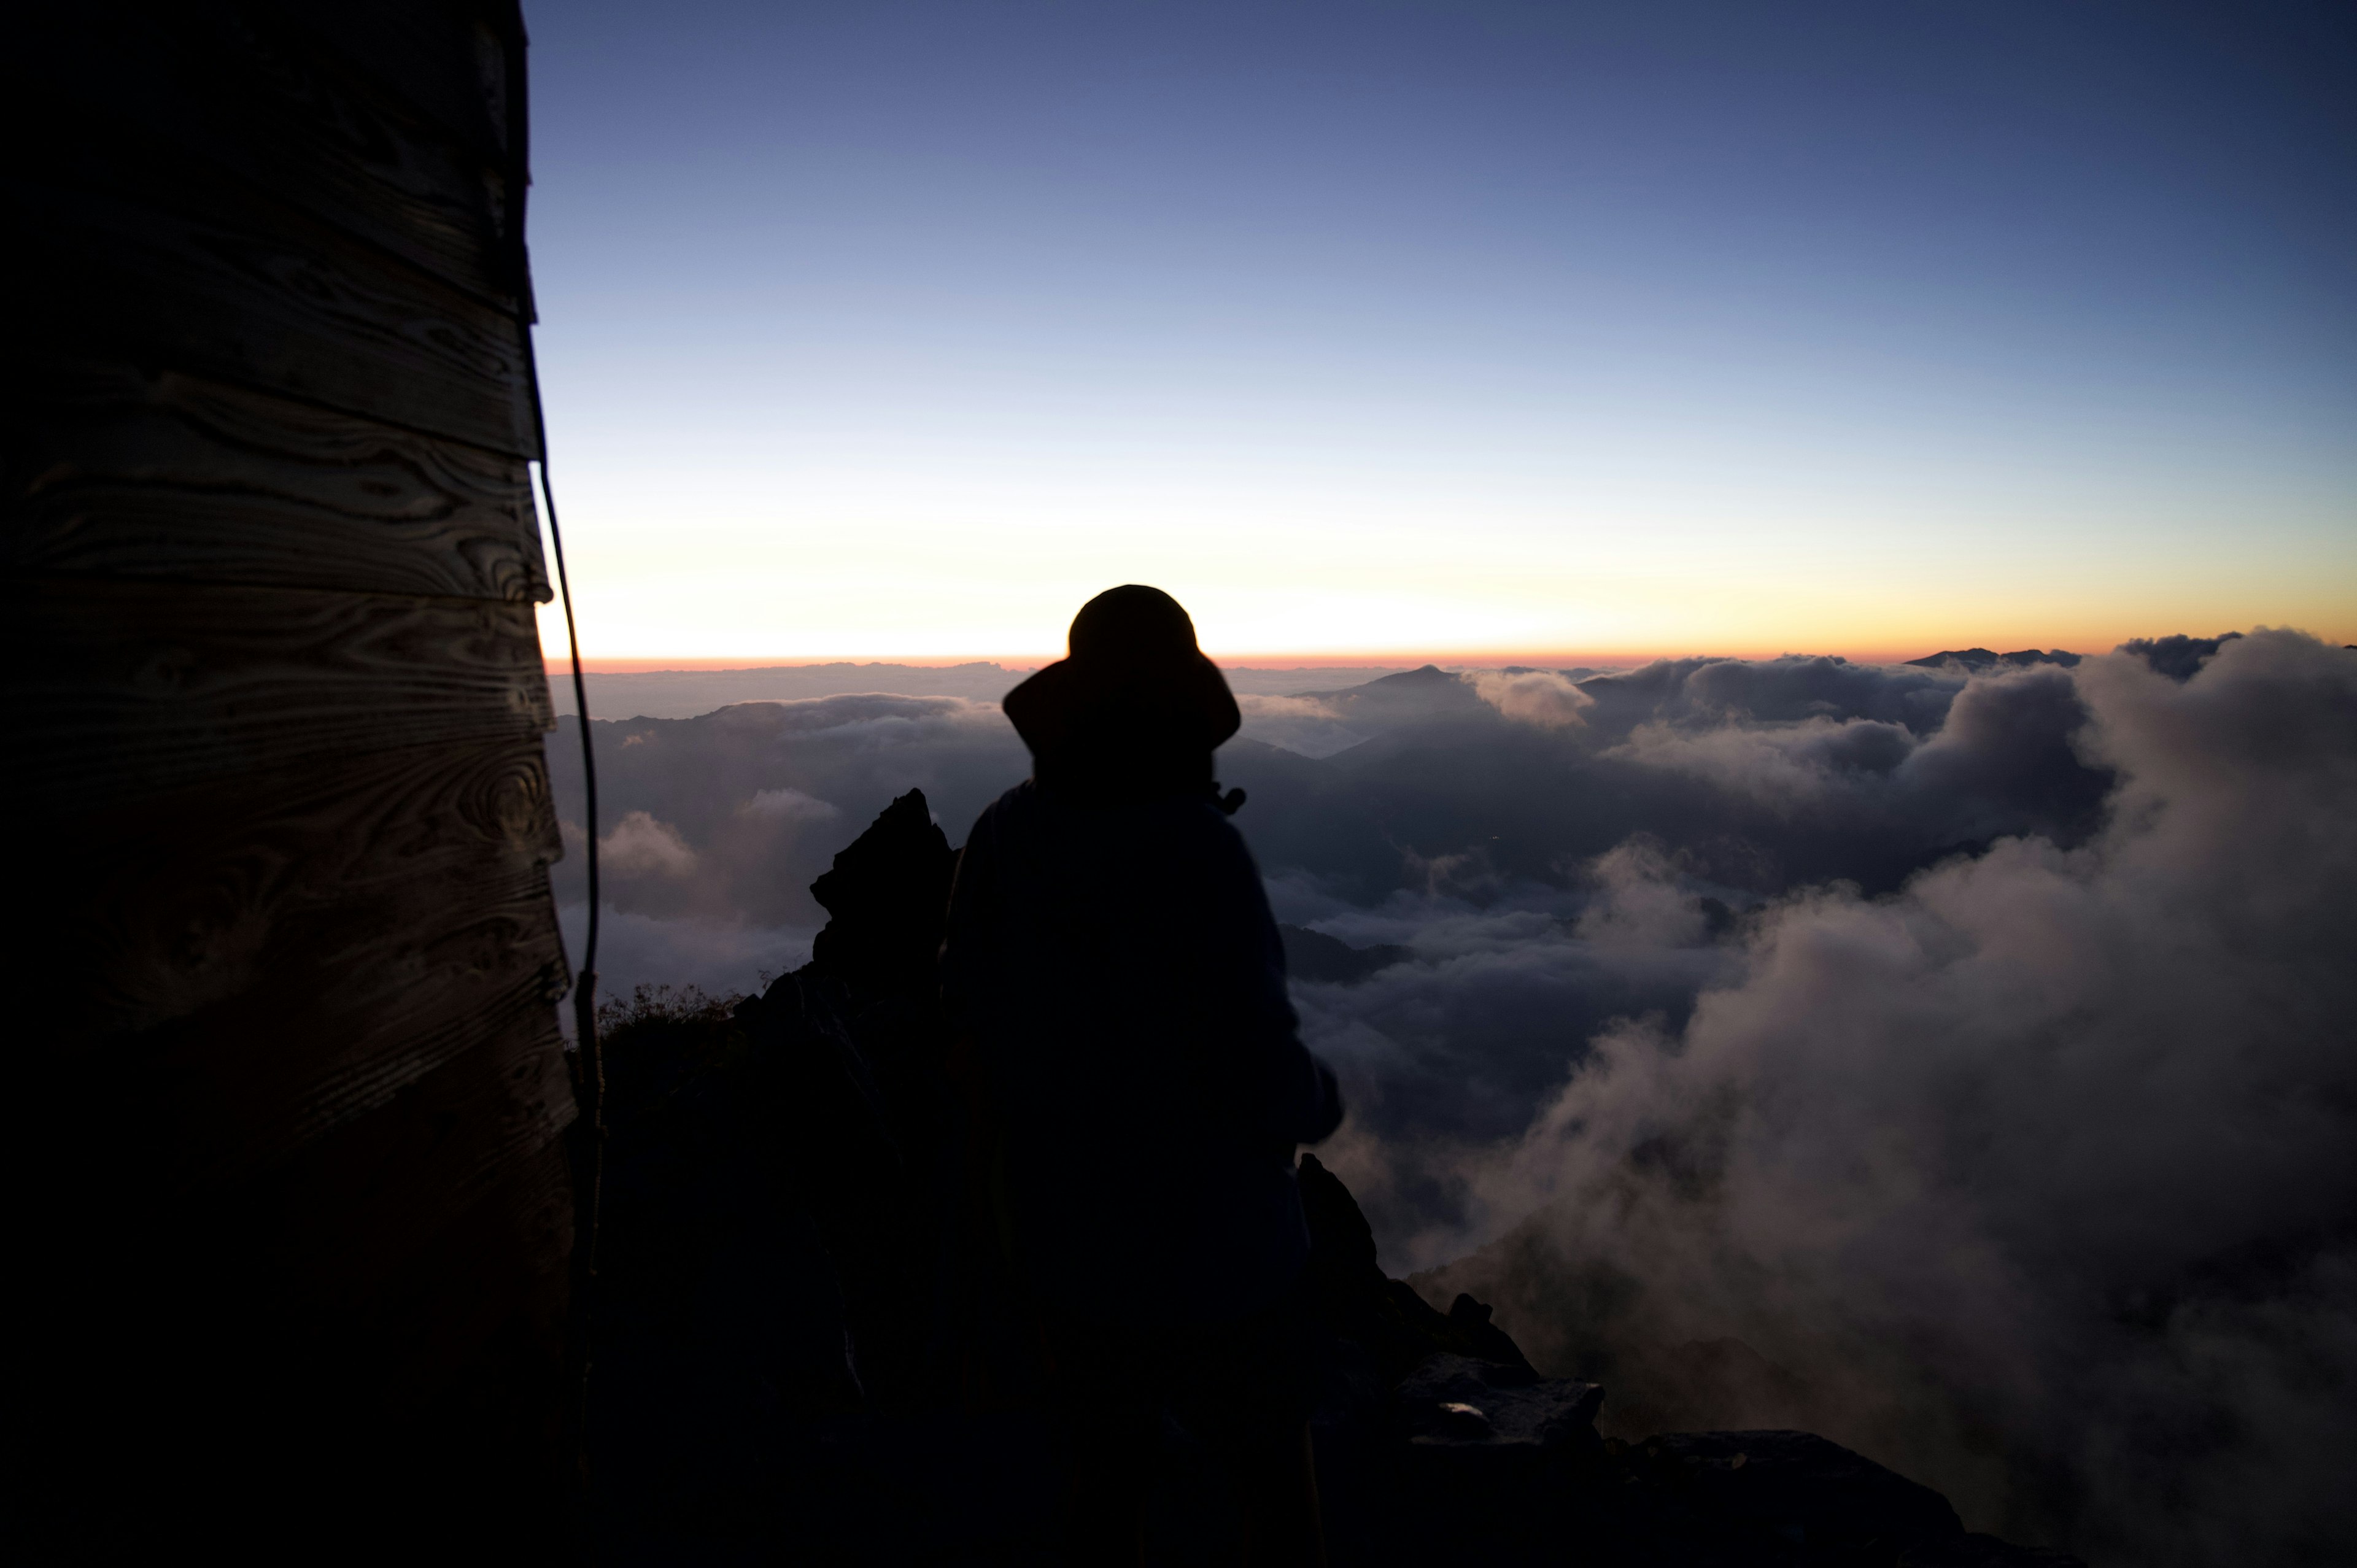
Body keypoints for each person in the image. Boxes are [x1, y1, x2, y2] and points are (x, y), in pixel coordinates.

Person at [941, 585, 1345, 1566]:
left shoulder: (1006, 833)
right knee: (1275, 1496)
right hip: (1221, 1246)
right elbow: (1256, 1060)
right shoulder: (1196, 848)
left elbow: (969, 1022)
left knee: (1104, 1486)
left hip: (1063, 1235)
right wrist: (1320, 1103)